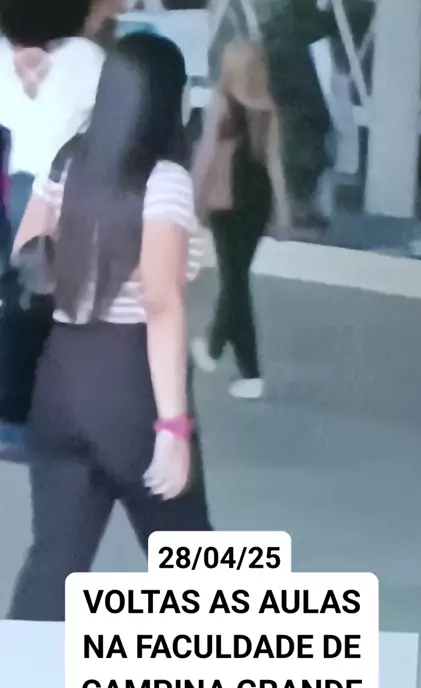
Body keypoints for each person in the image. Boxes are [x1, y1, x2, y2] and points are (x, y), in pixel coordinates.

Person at [7, 32, 212, 622]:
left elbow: (27, 255)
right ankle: (221, 680)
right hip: (129, 385)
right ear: (169, 98)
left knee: (54, 564)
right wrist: (172, 428)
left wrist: (87, 260)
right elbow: (162, 304)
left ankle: (14, 678)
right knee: (196, 567)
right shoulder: (163, 180)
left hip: (60, 380)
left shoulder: (69, 161)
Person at [0, 0, 105, 452]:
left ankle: (12, 416)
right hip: (66, 186)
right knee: (61, 305)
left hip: (18, 184)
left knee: (19, 301)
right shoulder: (85, 58)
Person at [191, 41, 289, 399]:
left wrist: (193, 198)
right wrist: (282, 210)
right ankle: (214, 348)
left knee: (234, 283)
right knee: (236, 277)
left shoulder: (221, 103)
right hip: (257, 202)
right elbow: (274, 163)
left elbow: (206, 155)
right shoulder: (268, 109)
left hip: (227, 201)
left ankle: (249, 372)